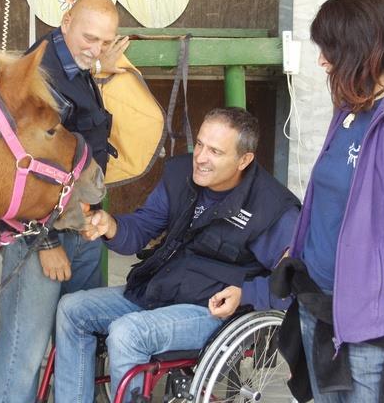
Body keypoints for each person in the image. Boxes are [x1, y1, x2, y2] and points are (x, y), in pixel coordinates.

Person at [54, 107, 301, 399]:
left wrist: (246, 295)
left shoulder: (272, 208)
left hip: (212, 310)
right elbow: (142, 228)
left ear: (244, 160)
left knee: (127, 333)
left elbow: (294, 280)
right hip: (163, 289)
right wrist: (111, 226)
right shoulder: (180, 175)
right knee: (72, 309)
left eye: (215, 151)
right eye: (199, 144)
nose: (200, 157)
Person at [275, 0, 384, 402]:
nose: (322, 60)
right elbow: (326, 200)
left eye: (330, 50)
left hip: (370, 319)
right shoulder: (349, 108)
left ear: (365, 49)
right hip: (315, 301)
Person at [0, 0, 129, 403]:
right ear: (65, 20)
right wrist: (45, 244)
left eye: (106, 41)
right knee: (24, 351)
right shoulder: (38, 73)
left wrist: (91, 218)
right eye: (90, 38)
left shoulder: (80, 66)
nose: (97, 49)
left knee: (79, 341)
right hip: (42, 237)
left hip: (81, 228)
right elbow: (15, 168)